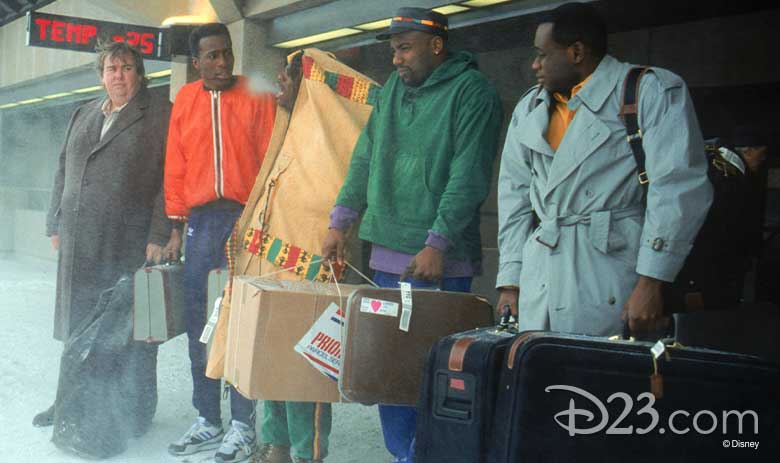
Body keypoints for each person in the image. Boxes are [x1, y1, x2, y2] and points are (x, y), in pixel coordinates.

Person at [321, 7, 502, 463]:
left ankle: (431, 455)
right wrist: (339, 222)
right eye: (393, 50)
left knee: (434, 374)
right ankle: (403, 456)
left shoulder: (473, 92)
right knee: (391, 373)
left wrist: (436, 241)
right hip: (387, 258)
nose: (397, 59)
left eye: (405, 49)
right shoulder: (389, 96)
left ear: (437, 46)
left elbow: (469, 173)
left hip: (438, 261)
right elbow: (364, 158)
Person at [496, 2, 713, 338]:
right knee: (541, 375)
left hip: (611, 269)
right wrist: (510, 281)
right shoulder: (529, 108)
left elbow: (676, 190)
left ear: (577, 52)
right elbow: (514, 197)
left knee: (600, 382)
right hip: (540, 276)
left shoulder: (648, 90)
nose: (535, 64)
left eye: (543, 54)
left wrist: (651, 282)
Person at [206, 48, 378, 463]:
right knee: (268, 360)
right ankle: (275, 448)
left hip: (308, 280)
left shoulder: (331, 139)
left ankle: (306, 454)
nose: (279, 84)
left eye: (288, 77)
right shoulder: (289, 123)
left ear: (312, 87)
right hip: (271, 273)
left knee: (306, 368)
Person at [40, 40, 175, 457]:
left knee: (128, 331)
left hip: (126, 241)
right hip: (79, 239)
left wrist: (159, 232)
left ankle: (134, 411)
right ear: (101, 75)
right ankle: (70, 403)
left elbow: (169, 180)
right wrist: (53, 222)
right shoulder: (83, 113)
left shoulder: (159, 115)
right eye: (111, 68)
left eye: (127, 68)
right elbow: (64, 167)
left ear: (140, 73)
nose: (118, 75)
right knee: (78, 322)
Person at [164, 23, 276, 463]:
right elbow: (176, 163)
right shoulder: (186, 101)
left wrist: (264, 218)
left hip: (245, 218)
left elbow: (271, 157)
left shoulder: (255, 94)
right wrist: (175, 225)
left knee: (244, 320)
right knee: (200, 322)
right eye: (211, 56)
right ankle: (208, 417)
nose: (222, 62)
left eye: (226, 53)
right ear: (196, 63)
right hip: (201, 221)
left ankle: (244, 426)